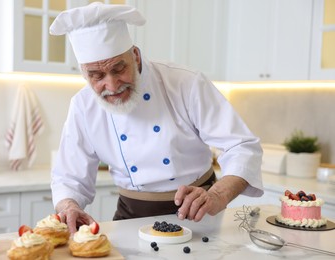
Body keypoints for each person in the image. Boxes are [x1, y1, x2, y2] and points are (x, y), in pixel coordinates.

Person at [49, 2, 263, 234]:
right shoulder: (83, 106)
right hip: (130, 218)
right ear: (84, 74)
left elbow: (242, 147)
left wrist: (217, 195)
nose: (111, 85)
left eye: (119, 69)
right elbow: (69, 178)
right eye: (96, 75)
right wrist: (68, 206)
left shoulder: (185, 83)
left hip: (199, 214)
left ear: (136, 57)